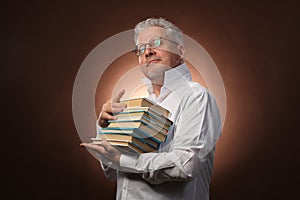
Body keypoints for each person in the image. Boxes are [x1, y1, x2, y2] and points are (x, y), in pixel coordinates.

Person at [81, 17, 222, 200]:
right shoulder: (137, 104)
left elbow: (186, 166)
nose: (147, 52)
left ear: (179, 51)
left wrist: (123, 160)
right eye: (140, 49)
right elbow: (112, 172)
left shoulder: (197, 98)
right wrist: (105, 128)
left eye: (155, 43)